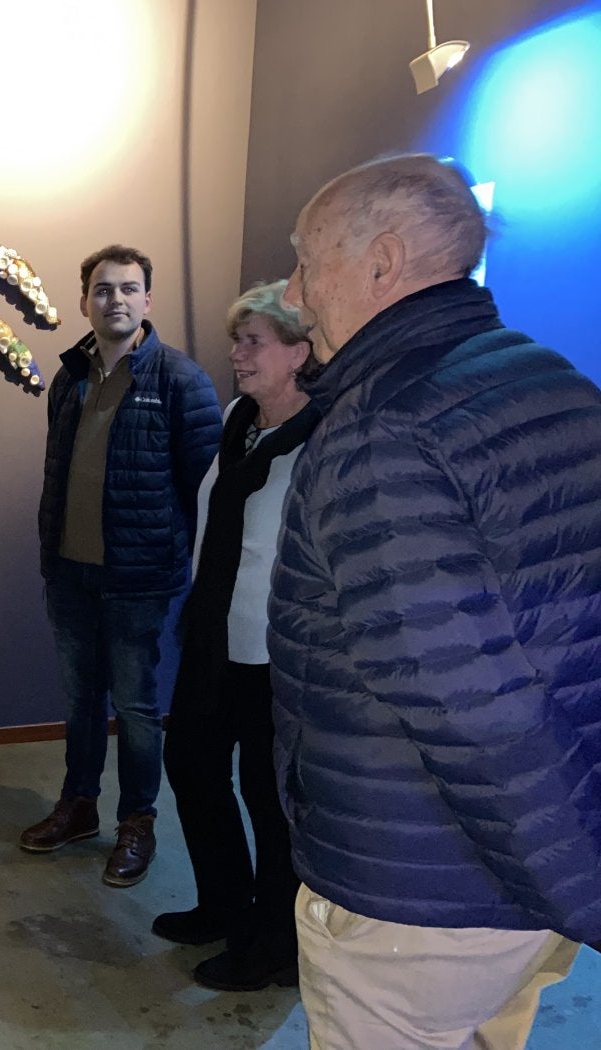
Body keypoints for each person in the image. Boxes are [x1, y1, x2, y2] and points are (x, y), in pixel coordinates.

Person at [270, 152, 601, 1047]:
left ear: (380, 263)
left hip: (418, 899)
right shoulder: (550, 378)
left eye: (307, 262)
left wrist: (578, 882)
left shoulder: (383, 431)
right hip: (518, 886)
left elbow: (468, 705)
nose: (293, 296)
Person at [25, 244, 222, 888]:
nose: (116, 300)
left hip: (139, 580)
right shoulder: (69, 376)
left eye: (128, 289)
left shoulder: (179, 380)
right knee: (82, 700)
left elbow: (204, 485)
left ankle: (137, 821)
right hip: (71, 572)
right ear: (85, 300)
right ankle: (79, 805)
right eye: (103, 289)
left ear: (147, 300)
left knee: (136, 708)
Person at [153, 280, 317, 991]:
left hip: (274, 651)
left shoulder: (319, 443)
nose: (237, 353)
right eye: (238, 339)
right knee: (190, 764)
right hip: (214, 634)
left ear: (299, 352)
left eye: (254, 342)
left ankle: (273, 944)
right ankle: (223, 903)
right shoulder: (236, 420)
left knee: (269, 798)